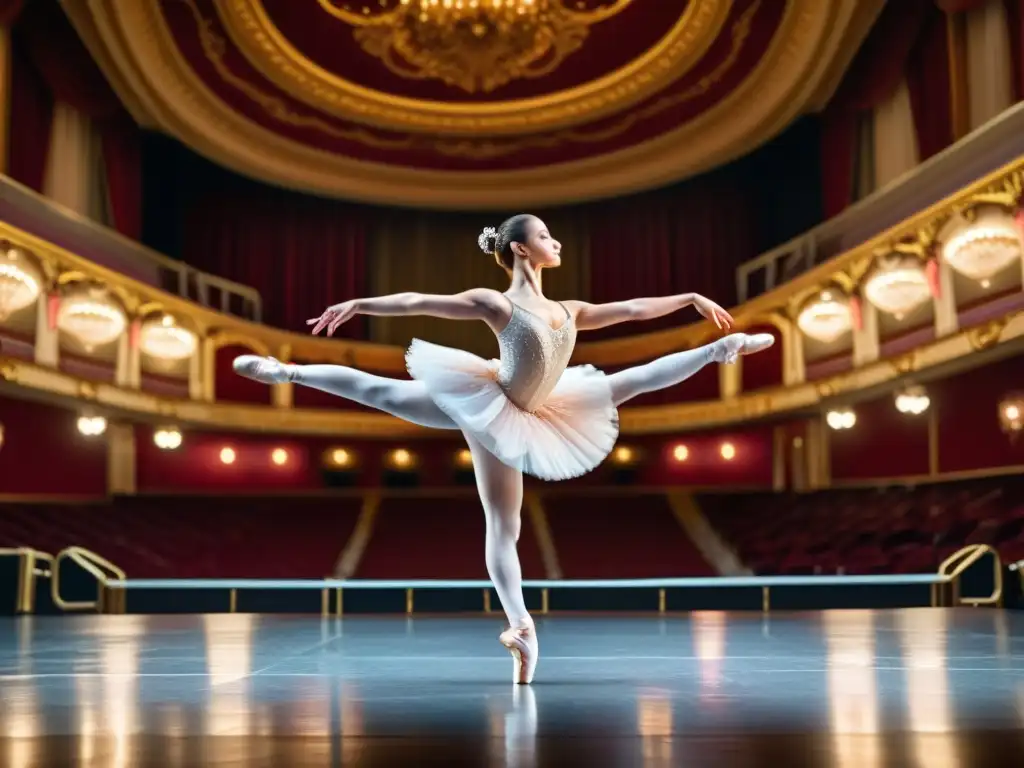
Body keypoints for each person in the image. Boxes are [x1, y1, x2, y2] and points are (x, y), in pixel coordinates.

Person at [233, 214, 774, 684]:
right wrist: (359, 302)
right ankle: (287, 370)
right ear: (520, 248)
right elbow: (420, 301)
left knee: (616, 393)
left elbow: (633, 309)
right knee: (381, 393)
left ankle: (721, 349)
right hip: (485, 402)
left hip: (538, 408)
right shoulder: (497, 304)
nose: (556, 243)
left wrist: (690, 298)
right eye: (546, 236)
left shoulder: (571, 308)